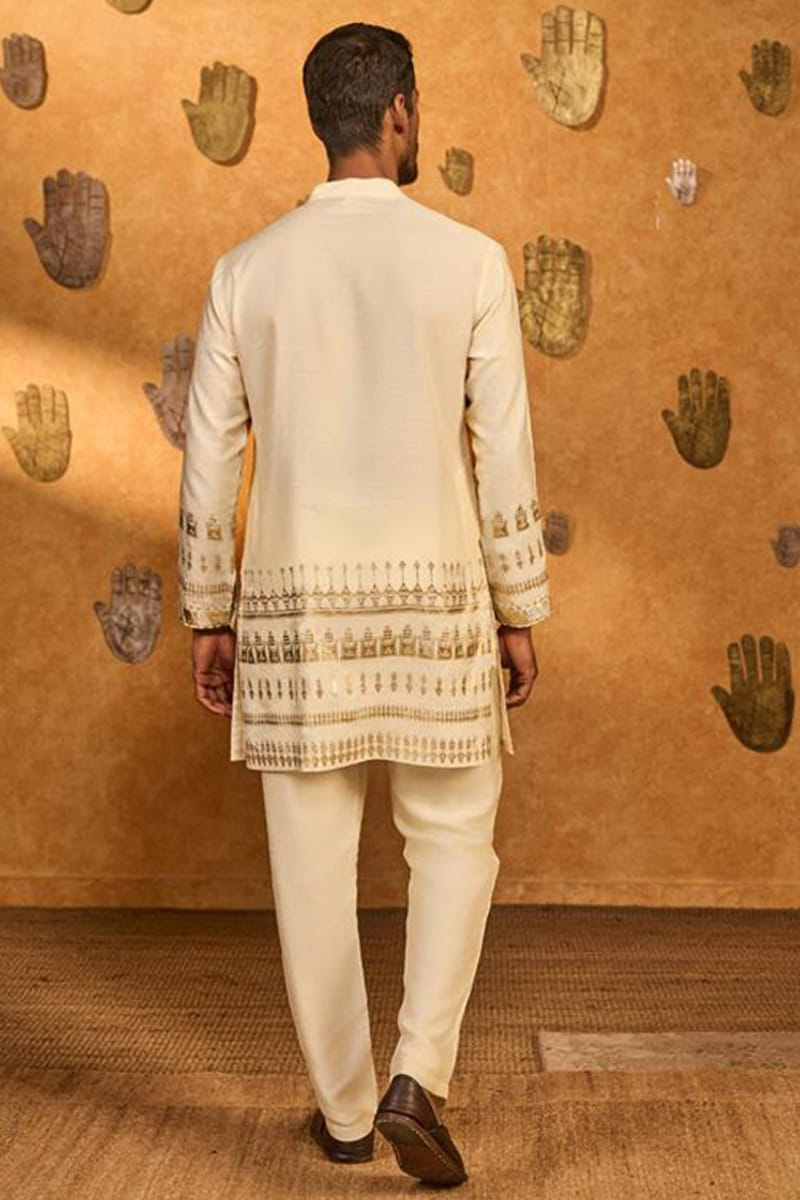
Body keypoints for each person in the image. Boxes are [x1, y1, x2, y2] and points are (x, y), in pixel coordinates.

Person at [177, 20, 551, 1187]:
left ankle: (344, 1117)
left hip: (294, 610)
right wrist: (516, 605)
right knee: (452, 842)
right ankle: (415, 1076)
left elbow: (209, 456)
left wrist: (209, 612)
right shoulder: (469, 261)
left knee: (309, 865)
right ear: (398, 114)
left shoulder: (246, 271)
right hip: (436, 602)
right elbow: (501, 450)